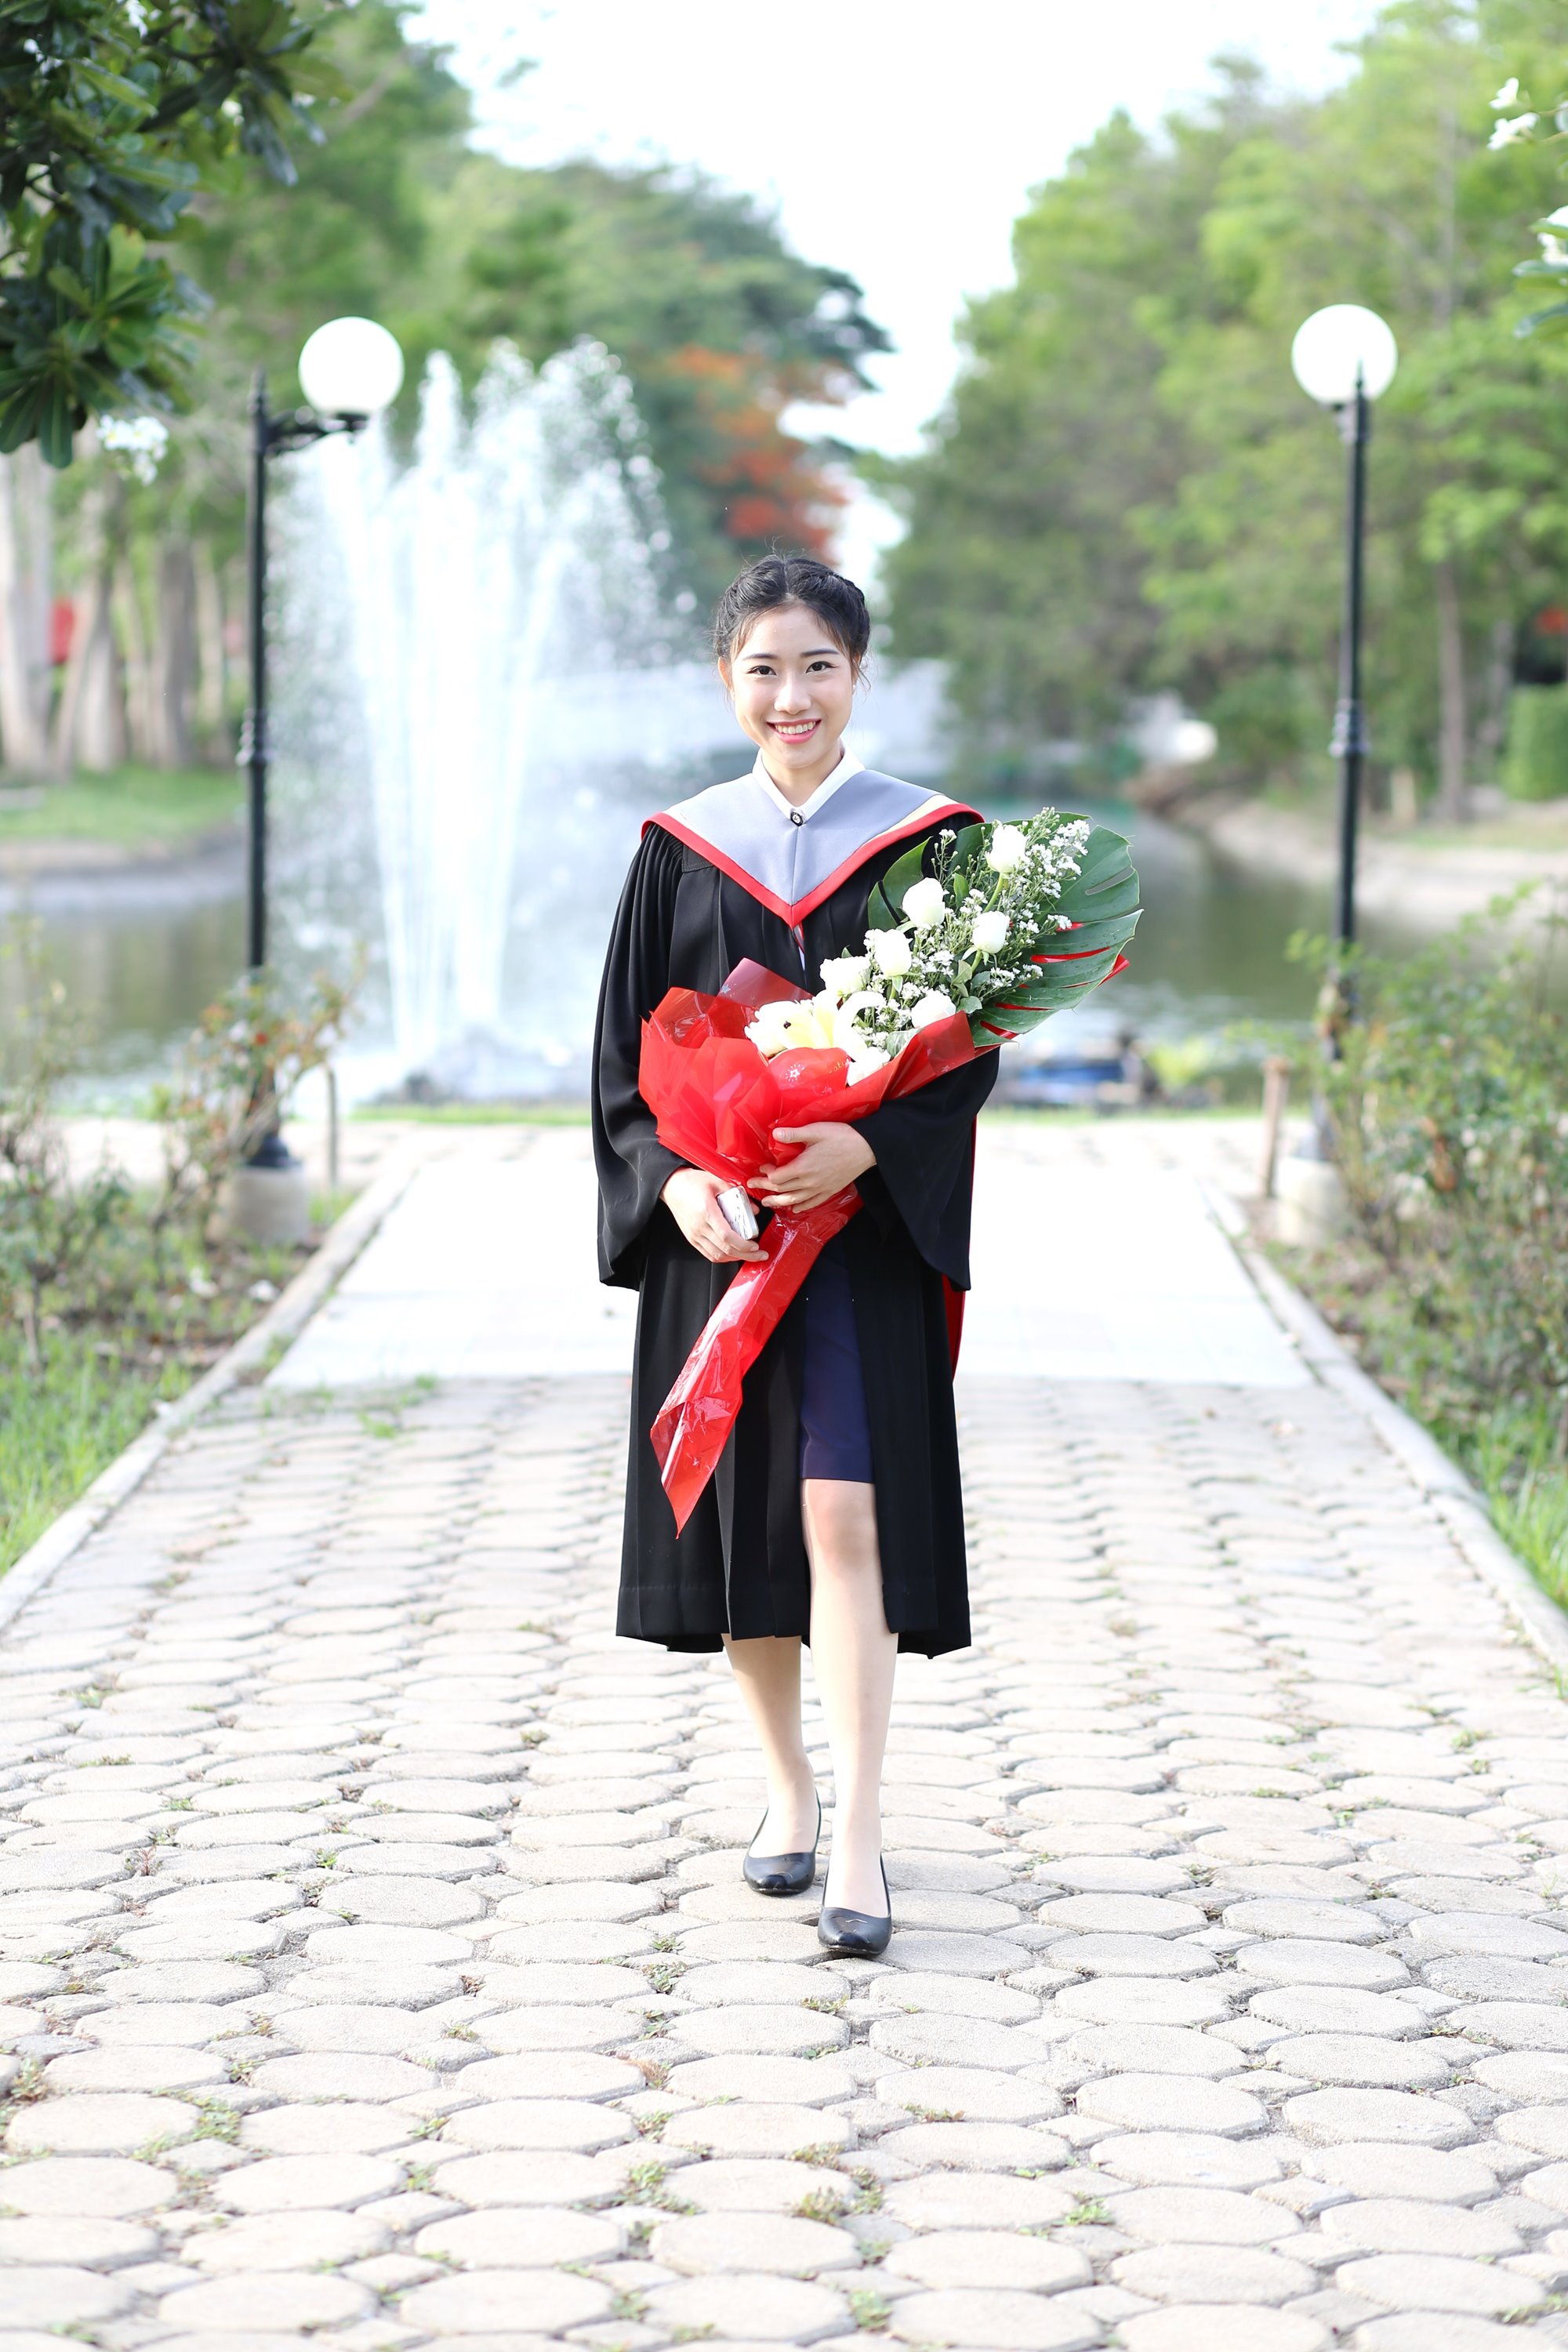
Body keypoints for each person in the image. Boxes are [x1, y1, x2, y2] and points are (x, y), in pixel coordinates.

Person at [592, 555, 996, 1957]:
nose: (792, 696)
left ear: (858, 674)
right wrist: (677, 1180)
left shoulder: (931, 847)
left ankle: (864, 1830)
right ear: (727, 681)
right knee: (744, 1525)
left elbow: (963, 1054)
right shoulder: (677, 849)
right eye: (764, 669)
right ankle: (787, 1790)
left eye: (818, 665)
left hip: (860, 1240)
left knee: (842, 1513)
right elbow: (625, 1066)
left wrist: (869, 1149)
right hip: (727, 1240)